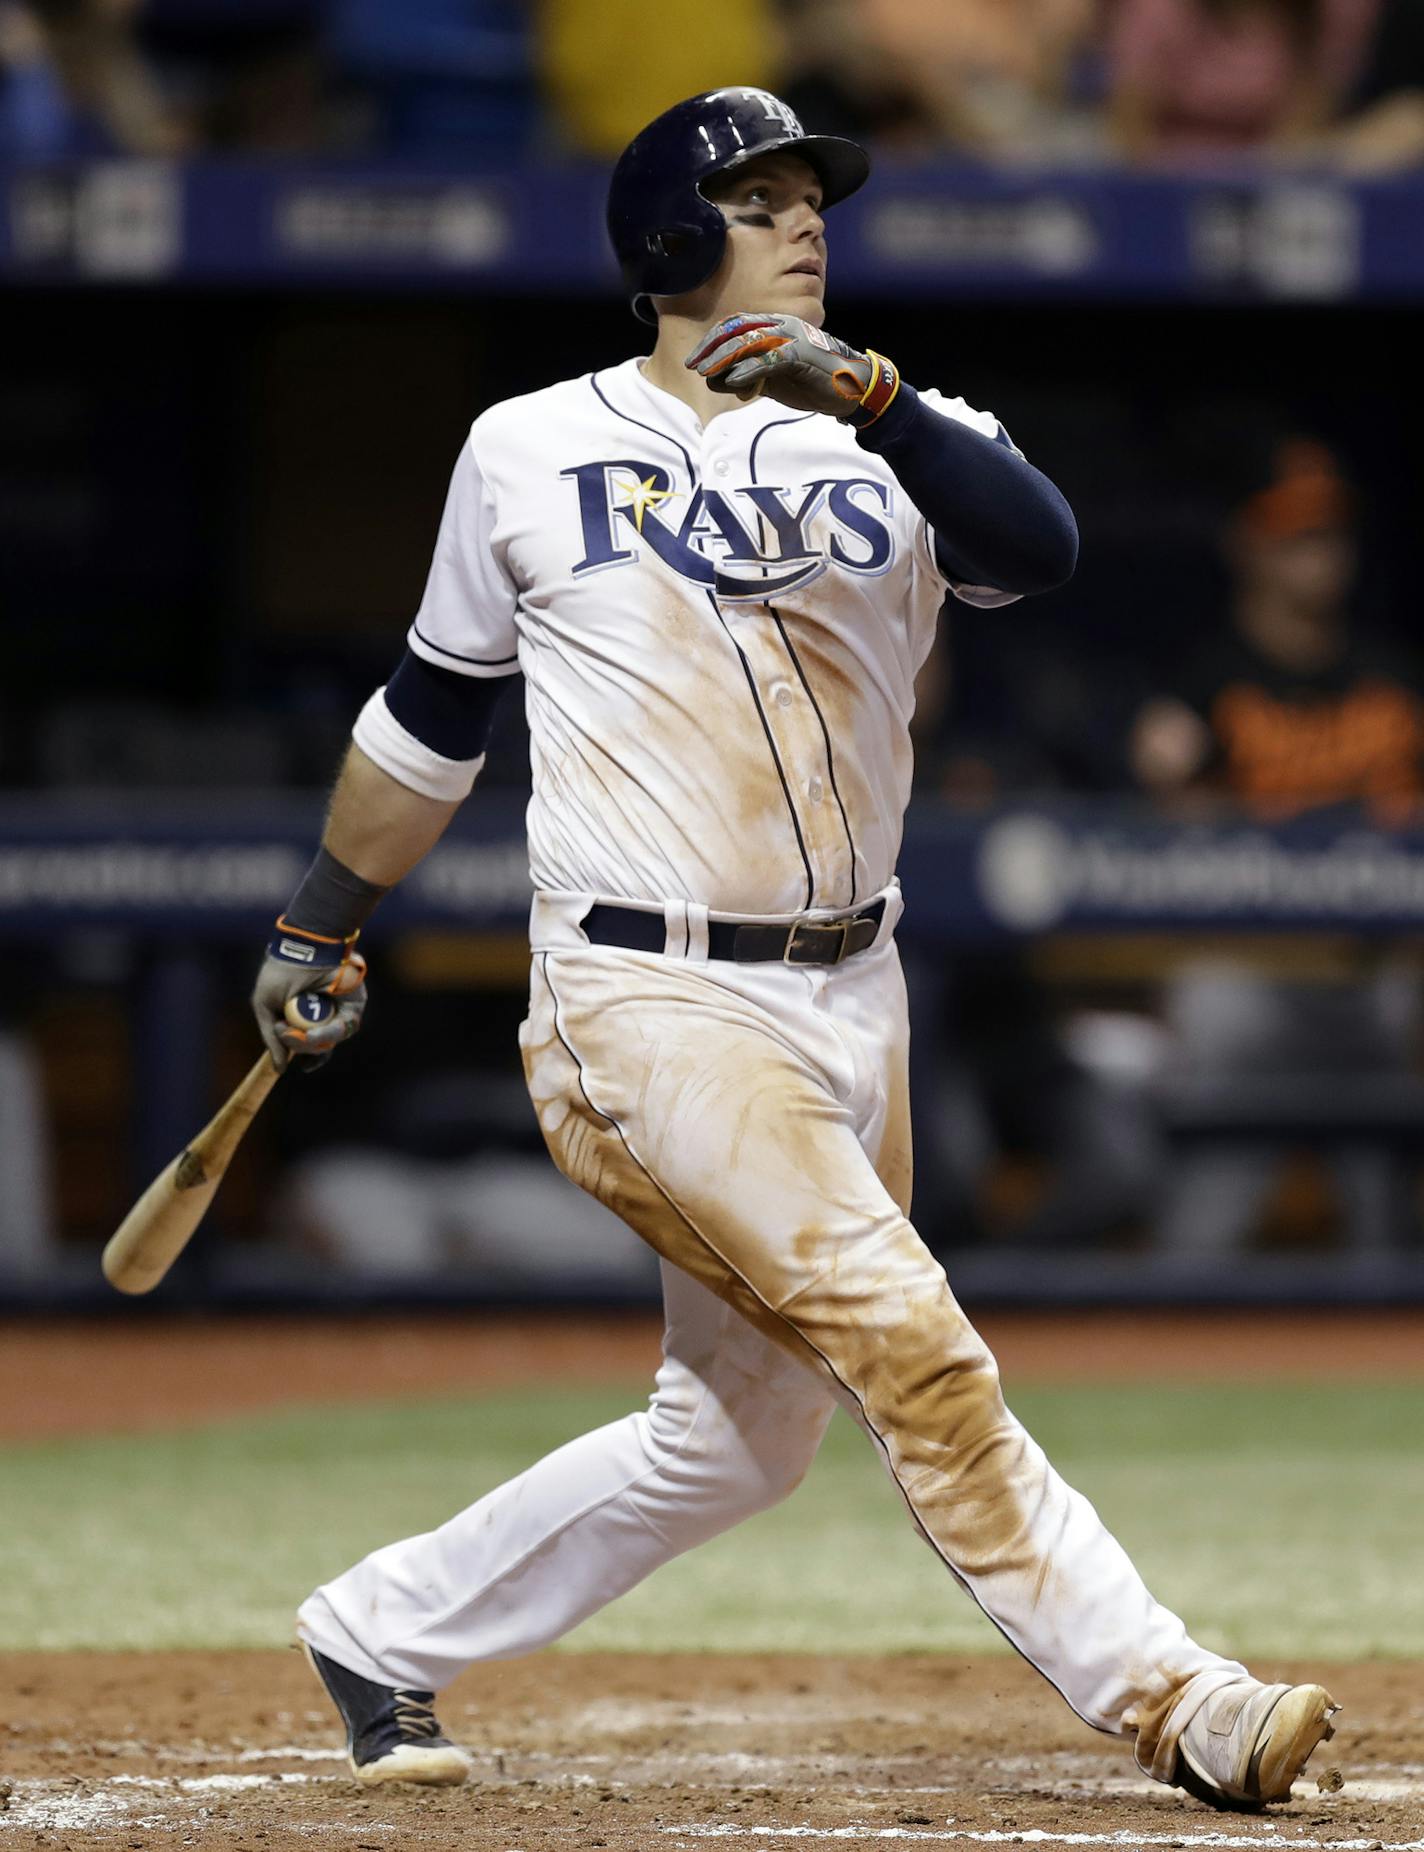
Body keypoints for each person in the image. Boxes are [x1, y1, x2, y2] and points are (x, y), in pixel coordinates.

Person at [251, 87, 1338, 1808]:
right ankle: (1174, 1697)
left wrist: (880, 409)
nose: (803, 222)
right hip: (645, 998)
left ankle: (380, 1627)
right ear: (671, 239)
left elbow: (1034, 549)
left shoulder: (891, 433)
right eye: (758, 198)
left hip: (850, 989)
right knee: (912, 1334)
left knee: (739, 1439)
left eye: (808, 196)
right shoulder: (524, 446)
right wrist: (321, 917)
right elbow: (425, 726)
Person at [1131, 438, 1424, 1252]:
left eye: (1330, 534)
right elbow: (1148, 846)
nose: (1320, 556)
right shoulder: (1204, 684)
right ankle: (1166, 1346)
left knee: (1385, 1237)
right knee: (1206, 1226)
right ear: (1250, 546)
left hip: (1369, 980)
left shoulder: (1392, 680)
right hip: (1248, 971)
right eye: (1296, 536)